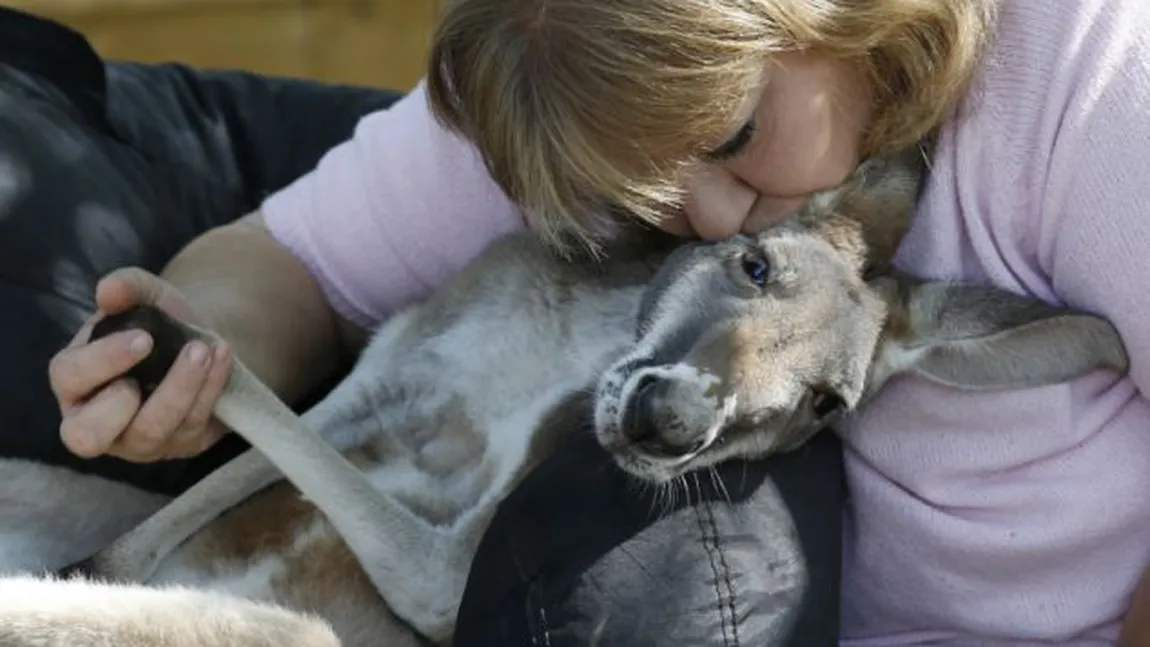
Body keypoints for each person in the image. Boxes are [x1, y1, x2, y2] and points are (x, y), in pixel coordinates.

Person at [40, 0, 1150, 643]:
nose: (705, 214)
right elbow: (283, 262)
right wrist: (182, 361)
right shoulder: (571, 60)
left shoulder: (1088, 74)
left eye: (728, 138)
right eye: (644, 192)